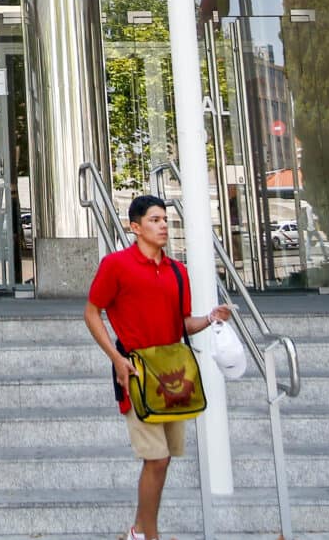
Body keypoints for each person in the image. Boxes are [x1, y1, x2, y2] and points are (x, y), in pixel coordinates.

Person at [83, 195, 232, 540]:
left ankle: (140, 530)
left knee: (163, 459)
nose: (163, 225)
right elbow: (92, 312)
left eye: (165, 219)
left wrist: (210, 319)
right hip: (135, 370)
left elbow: (182, 324)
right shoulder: (116, 265)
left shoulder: (178, 272)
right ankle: (147, 535)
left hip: (172, 374)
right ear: (135, 227)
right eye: (154, 220)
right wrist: (116, 359)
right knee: (157, 458)